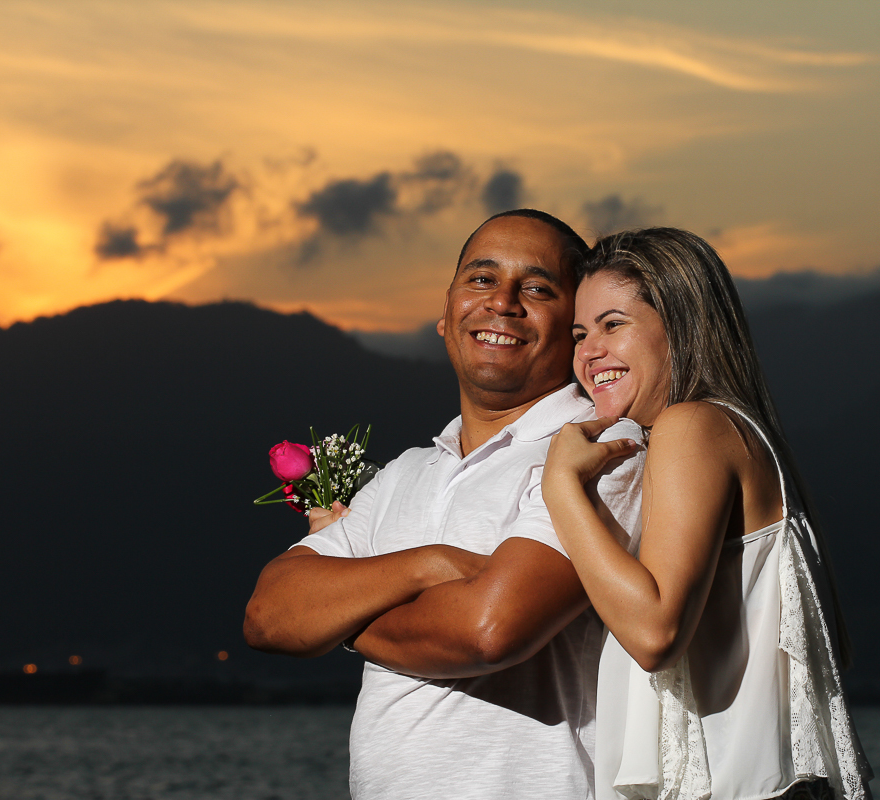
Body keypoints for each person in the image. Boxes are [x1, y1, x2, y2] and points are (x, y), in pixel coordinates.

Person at [243, 209, 645, 800]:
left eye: (537, 289)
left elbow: (488, 631)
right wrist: (429, 565)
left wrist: (341, 617)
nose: (502, 301)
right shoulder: (406, 472)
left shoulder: (600, 447)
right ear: (446, 311)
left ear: (575, 328)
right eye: (481, 279)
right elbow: (268, 615)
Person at [543, 228, 873, 800]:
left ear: (681, 326)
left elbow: (655, 632)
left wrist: (561, 487)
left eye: (613, 324)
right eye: (580, 333)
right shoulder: (732, 430)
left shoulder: (692, 426)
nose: (588, 352)